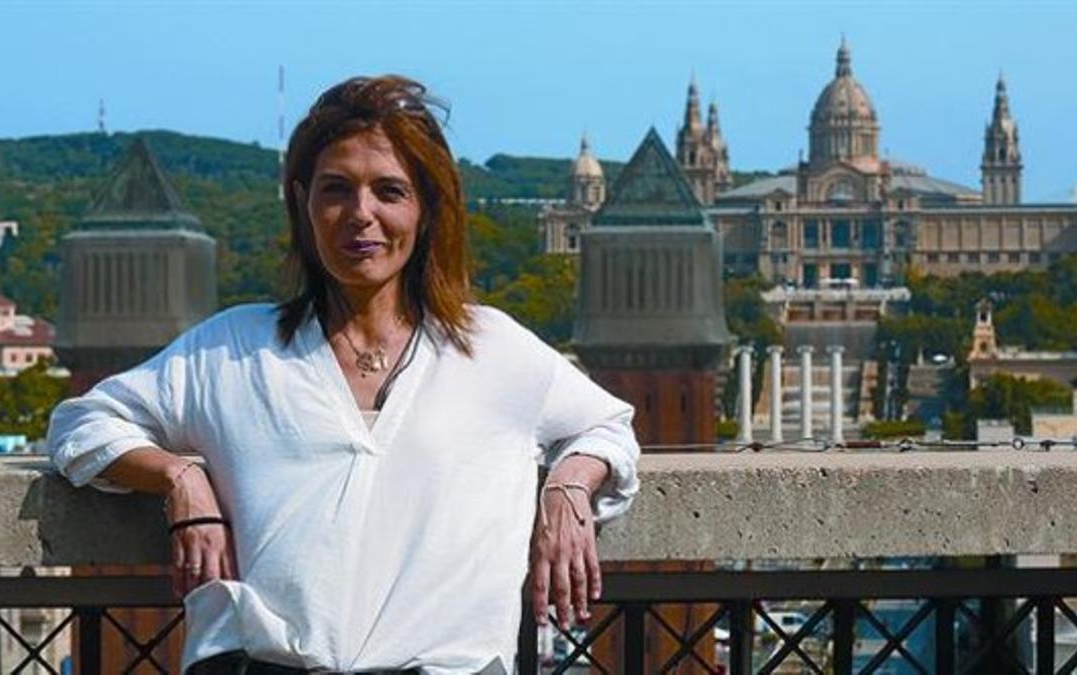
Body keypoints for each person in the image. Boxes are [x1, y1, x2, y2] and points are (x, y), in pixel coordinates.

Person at [47, 75, 640, 674]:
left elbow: (607, 428)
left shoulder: (492, 350)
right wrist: (180, 479)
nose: (362, 215)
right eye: (336, 190)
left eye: (389, 191)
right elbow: (82, 424)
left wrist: (568, 485)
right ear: (304, 203)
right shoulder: (232, 349)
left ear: (427, 209)